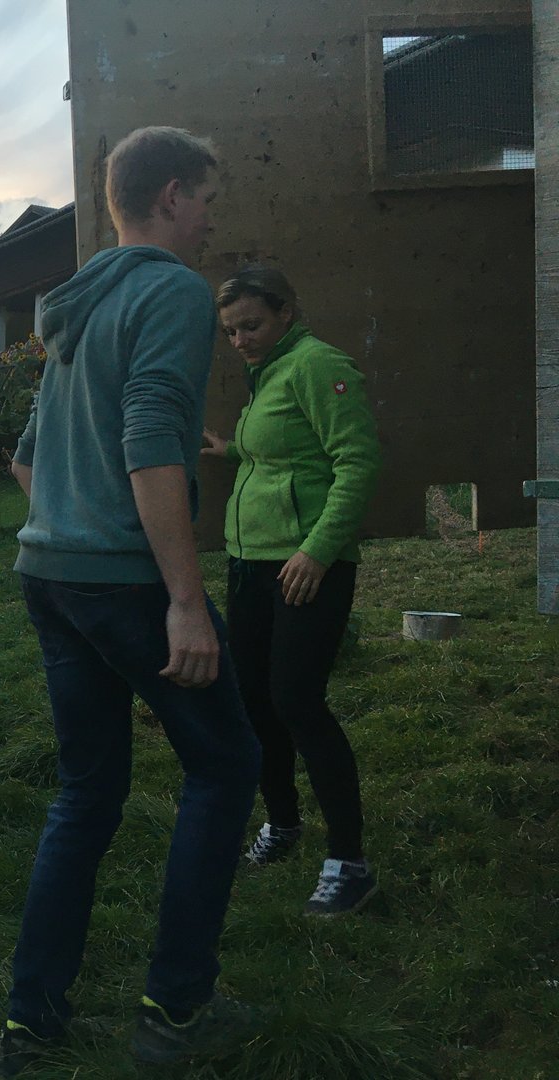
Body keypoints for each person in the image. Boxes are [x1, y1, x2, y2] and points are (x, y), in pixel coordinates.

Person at [0, 127, 262, 1076]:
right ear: (171, 195)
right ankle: (175, 1012)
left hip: (49, 574)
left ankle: (31, 1026)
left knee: (88, 790)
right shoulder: (171, 292)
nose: (212, 219)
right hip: (123, 584)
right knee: (227, 766)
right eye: (207, 199)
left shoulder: (77, 305)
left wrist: (74, 522)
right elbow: (152, 444)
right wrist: (184, 601)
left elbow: (26, 459)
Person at [202, 265, 381, 916]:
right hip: (250, 562)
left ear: (285, 312)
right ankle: (282, 822)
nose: (240, 341)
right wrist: (234, 450)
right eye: (230, 332)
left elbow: (357, 461)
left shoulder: (316, 365)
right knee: (256, 702)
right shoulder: (269, 372)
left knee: (297, 702)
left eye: (251, 325)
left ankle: (349, 863)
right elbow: (283, 453)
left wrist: (317, 550)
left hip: (306, 567)